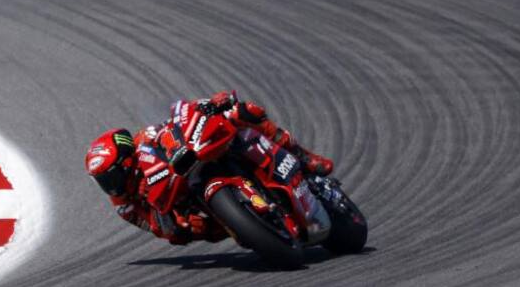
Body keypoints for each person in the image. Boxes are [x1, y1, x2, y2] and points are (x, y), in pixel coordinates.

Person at [84, 91, 333, 246]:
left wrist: (209, 107)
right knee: (194, 231)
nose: (110, 185)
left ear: (126, 162)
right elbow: (154, 226)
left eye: (111, 175)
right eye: (102, 180)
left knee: (240, 113)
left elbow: (170, 128)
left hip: (194, 157)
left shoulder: (142, 142)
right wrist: (177, 227)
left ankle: (302, 155)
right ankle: (249, 225)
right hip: (189, 200)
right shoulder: (123, 205)